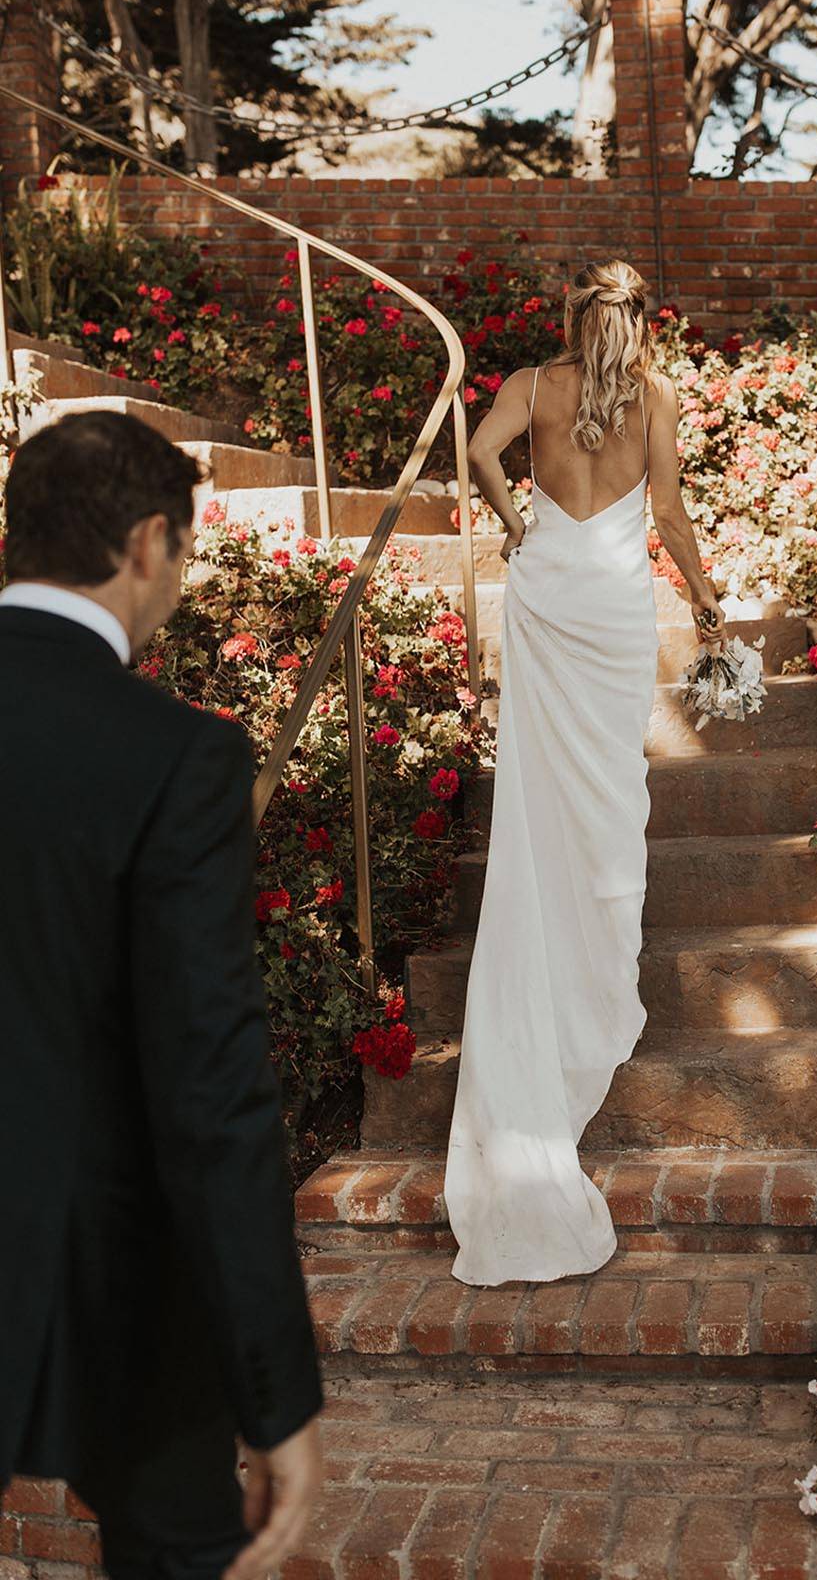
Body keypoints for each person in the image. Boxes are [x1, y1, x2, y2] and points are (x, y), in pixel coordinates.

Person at [0, 411, 324, 1580]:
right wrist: (276, 1392)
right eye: (182, 558)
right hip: (118, 1274)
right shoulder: (177, 753)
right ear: (146, 543)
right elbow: (211, 1087)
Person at [444, 259, 727, 1286]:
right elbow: (673, 516)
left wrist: (520, 529)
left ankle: (540, 918)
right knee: (611, 790)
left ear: (570, 317)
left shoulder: (532, 383)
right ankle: (595, 951)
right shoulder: (653, 395)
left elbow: (477, 453)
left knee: (537, 787)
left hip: (548, 590)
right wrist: (703, 599)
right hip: (611, 606)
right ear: (640, 321)